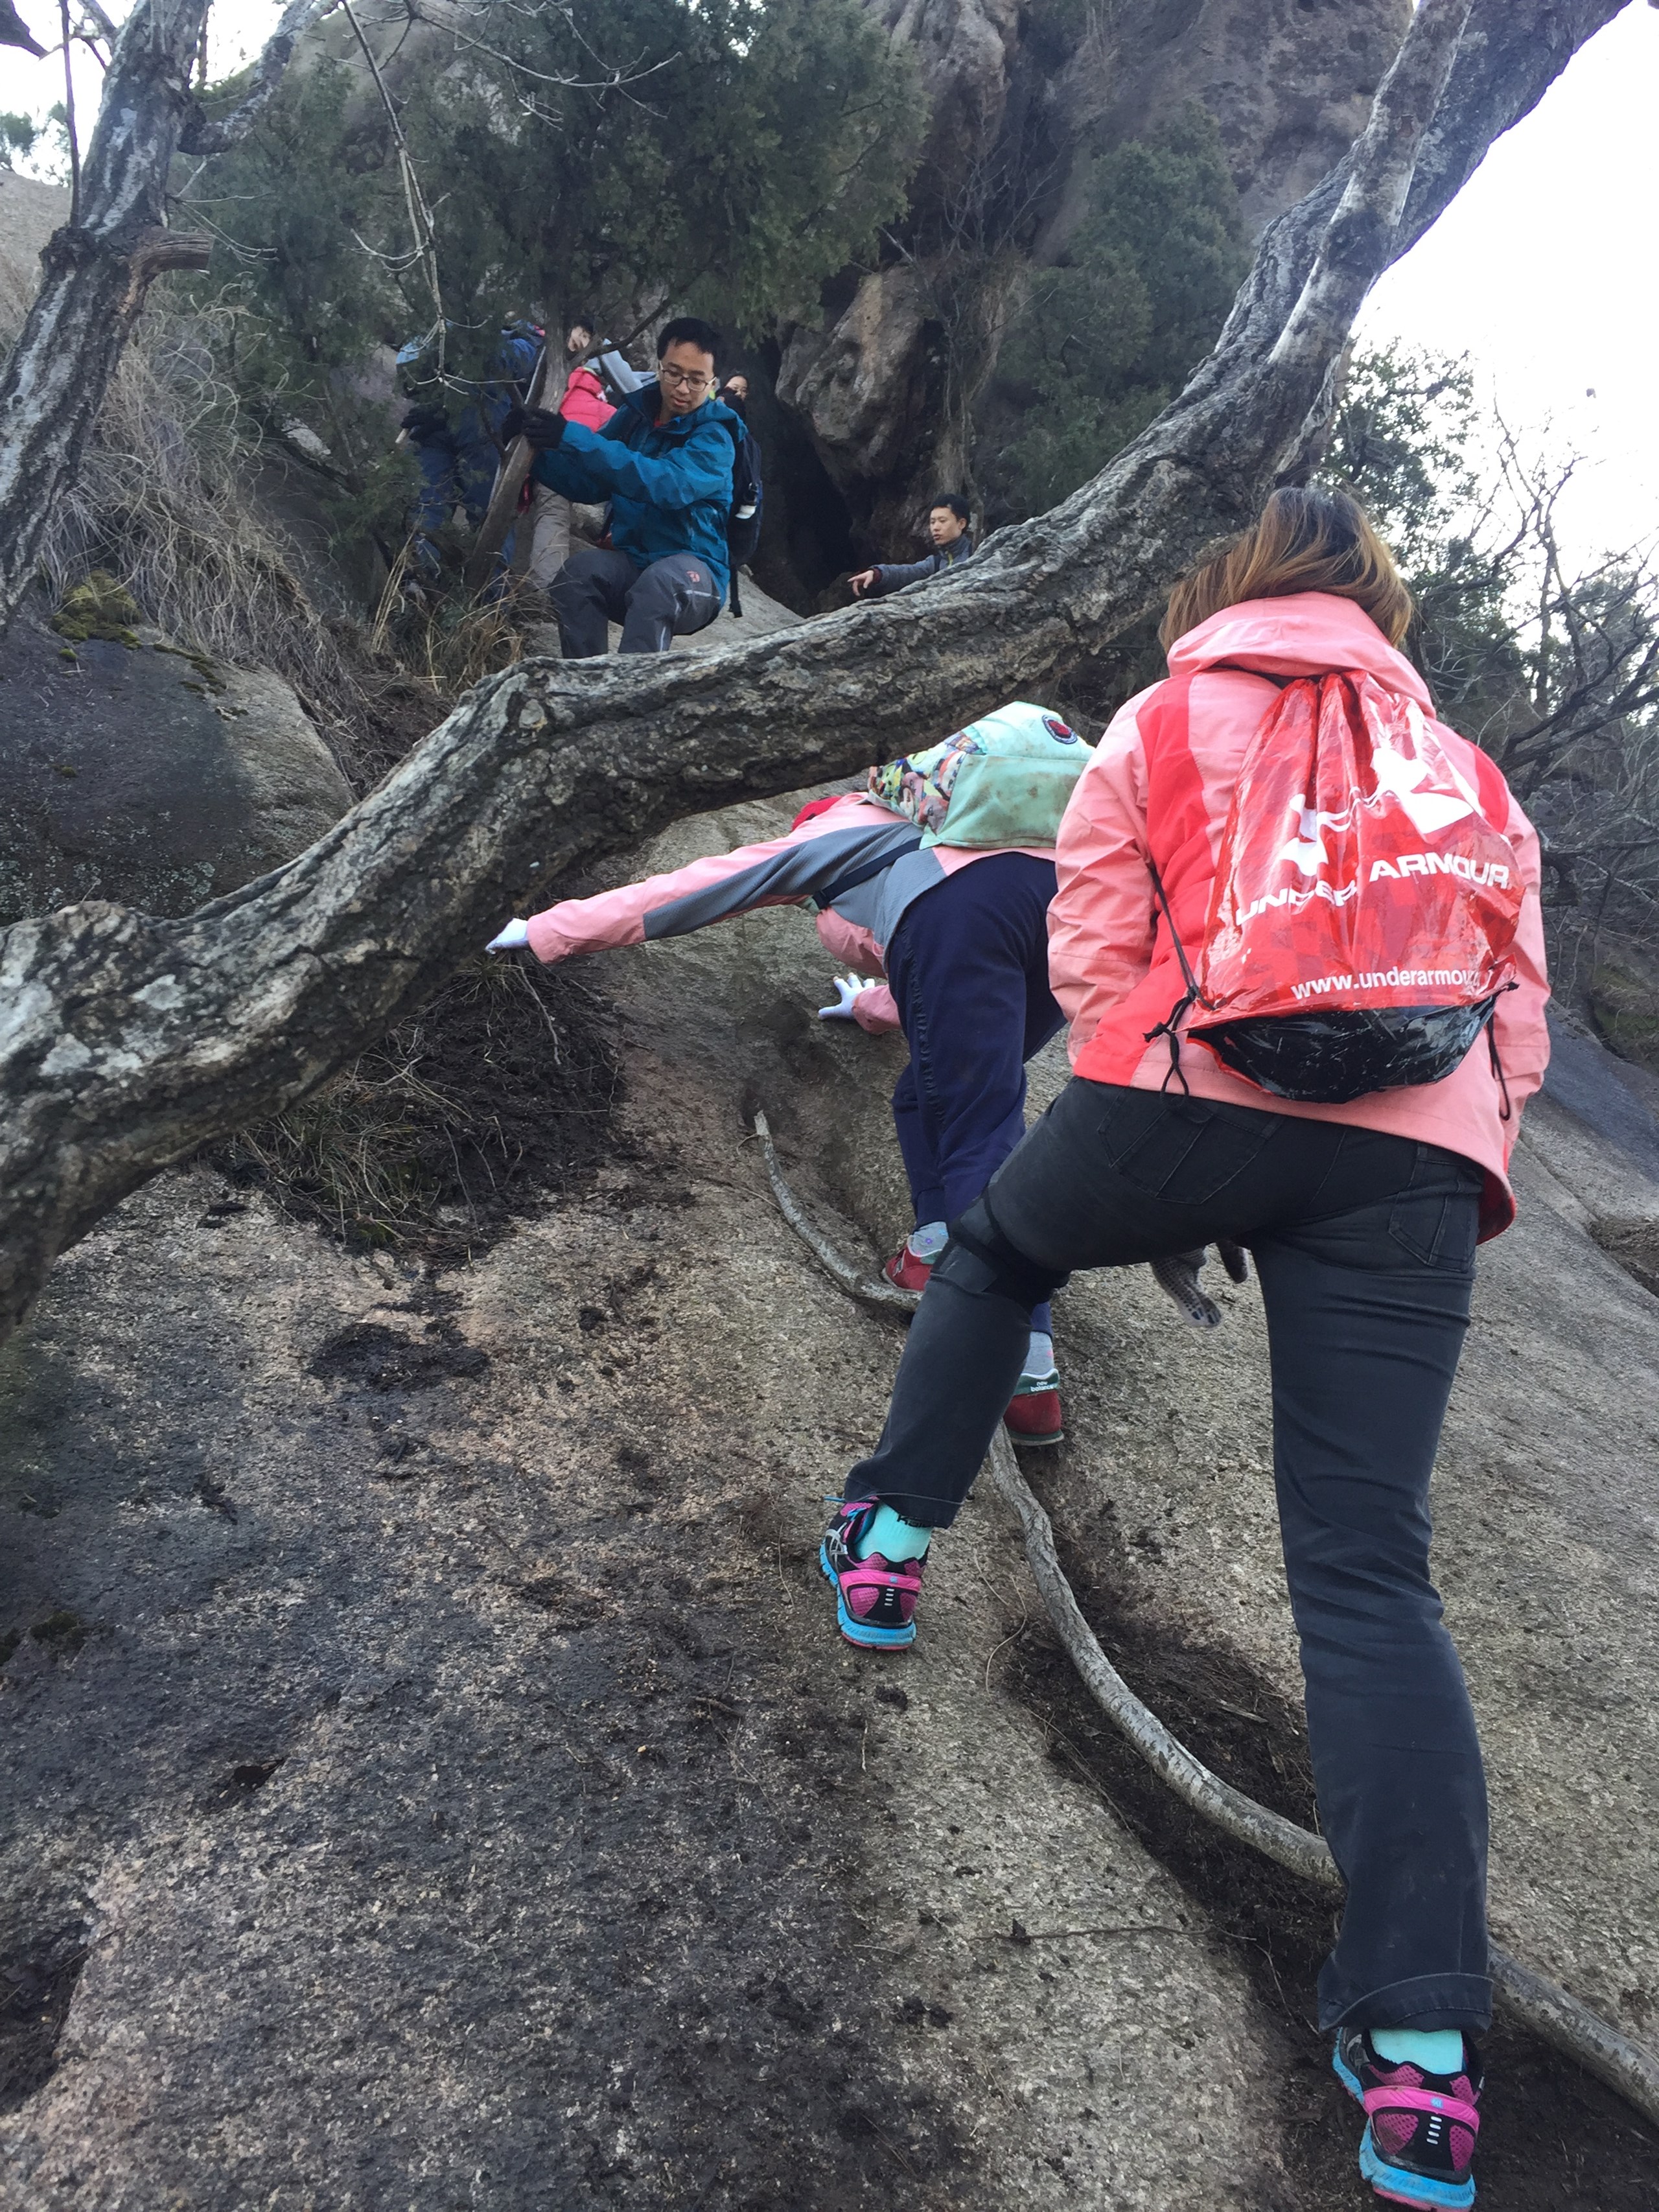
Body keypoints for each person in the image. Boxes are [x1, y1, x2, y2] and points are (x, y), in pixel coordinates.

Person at [823, 488, 1550, 2212]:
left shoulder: (1162, 715)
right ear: (1381, 611)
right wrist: (1453, 1145)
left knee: (997, 1248)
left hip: (1182, 1091)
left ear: (1230, 589)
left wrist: (1166, 1112)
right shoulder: (1466, 770)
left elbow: (1091, 943)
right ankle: (1423, 2057)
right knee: (1368, 1568)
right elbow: (1512, 1007)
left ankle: (890, 1542)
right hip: (1416, 1162)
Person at [483, 702, 1097, 1441]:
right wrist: (869, 1007)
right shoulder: (992, 828)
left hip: (966, 917)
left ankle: (1023, 1368)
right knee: (928, 1095)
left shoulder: (841, 829)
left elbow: (700, 886)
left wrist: (548, 929)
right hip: (1069, 912)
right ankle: (935, 1247)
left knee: (978, 1127)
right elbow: (945, 996)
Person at [505, 315, 741, 656]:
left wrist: (571, 436)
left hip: (696, 574)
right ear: (659, 367)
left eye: (696, 380)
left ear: (713, 383)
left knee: (659, 586)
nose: (682, 388)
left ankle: (635, 689)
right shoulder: (635, 417)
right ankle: (586, 680)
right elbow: (588, 485)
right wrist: (535, 453)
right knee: (577, 575)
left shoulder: (716, 438)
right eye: (674, 373)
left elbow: (665, 485)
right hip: (637, 563)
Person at [397, 321, 541, 583]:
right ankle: (420, 583)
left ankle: (489, 596)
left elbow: (513, 362)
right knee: (429, 508)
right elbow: (410, 373)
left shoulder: (520, 336)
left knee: (487, 516)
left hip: (481, 426)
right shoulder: (442, 325)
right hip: (446, 428)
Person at [518, 317, 616, 603]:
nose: (581, 342)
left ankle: (543, 592)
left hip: (550, 457)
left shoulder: (582, 383)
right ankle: (544, 593)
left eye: (588, 339)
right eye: (581, 334)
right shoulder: (545, 355)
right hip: (554, 454)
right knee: (553, 514)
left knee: (552, 513)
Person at [848, 494, 975, 599]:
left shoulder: (976, 555)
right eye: (932, 522)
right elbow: (907, 572)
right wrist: (877, 574)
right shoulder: (936, 563)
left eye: (942, 521)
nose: (936, 527)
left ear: (961, 524)